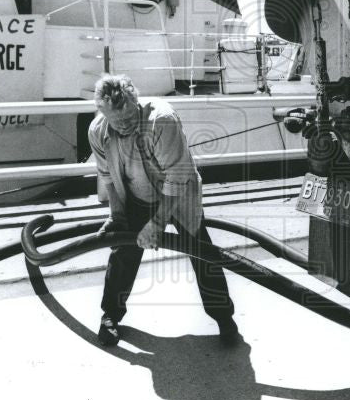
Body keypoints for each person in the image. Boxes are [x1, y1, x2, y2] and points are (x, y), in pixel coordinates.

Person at [88, 74, 239, 347]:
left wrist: (156, 225)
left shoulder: (161, 120)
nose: (124, 125)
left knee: (201, 251)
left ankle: (224, 318)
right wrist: (117, 216)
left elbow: (177, 179)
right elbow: (107, 176)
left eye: (129, 117)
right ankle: (110, 315)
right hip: (137, 195)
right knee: (123, 250)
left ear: (136, 102)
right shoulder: (98, 131)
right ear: (103, 113)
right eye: (117, 121)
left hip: (178, 194)